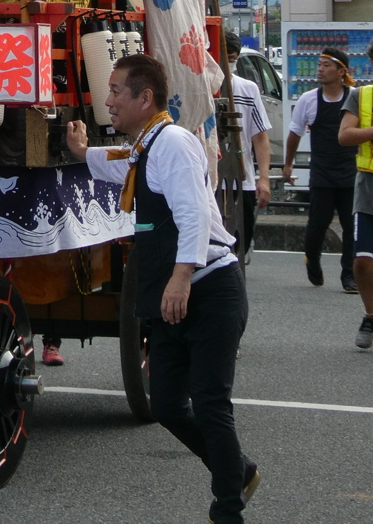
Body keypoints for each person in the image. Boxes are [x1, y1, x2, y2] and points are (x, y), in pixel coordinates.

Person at [67, 54, 258, 523]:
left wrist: (180, 277)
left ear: (144, 97)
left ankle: (228, 507)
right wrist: (81, 153)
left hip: (209, 289)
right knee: (169, 405)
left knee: (211, 403)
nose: (107, 100)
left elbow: (193, 212)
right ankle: (239, 470)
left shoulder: (171, 142)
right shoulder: (146, 146)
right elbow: (121, 167)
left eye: (115, 92)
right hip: (178, 293)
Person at [282, 46, 357, 291]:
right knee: (318, 223)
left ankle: (349, 274)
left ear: (341, 71)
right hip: (322, 172)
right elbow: (295, 133)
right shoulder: (309, 99)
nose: (320, 69)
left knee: (351, 225)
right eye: (319, 64)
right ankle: (312, 258)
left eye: (327, 65)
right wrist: (288, 163)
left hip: (351, 172)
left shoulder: (355, 96)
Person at [223, 33, 271, 258]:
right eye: (224, 57)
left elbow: (260, 137)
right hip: (212, 180)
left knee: (242, 241)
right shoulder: (201, 86)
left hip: (243, 180)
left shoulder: (248, 89)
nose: (228, 63)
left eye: (232, 58)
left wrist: (264, 178)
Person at [336, 69, 373, 348]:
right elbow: (345, 135)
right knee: (361, 260)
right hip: (368, 187)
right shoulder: (361, 95)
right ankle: (370, 315)